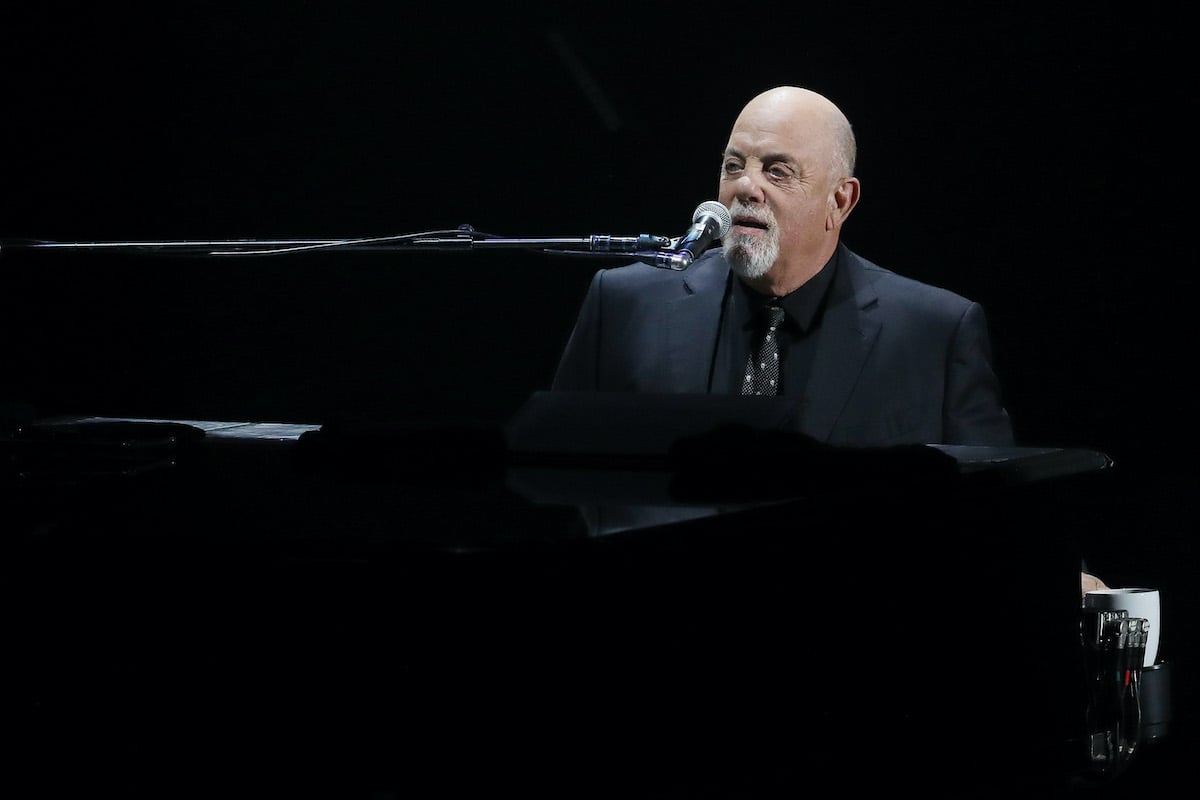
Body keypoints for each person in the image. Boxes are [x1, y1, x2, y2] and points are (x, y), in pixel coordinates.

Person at [551, 84, 1107, 592]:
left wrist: (1064, 581)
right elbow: (551, 481)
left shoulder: (933, 332)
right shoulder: (625, 304)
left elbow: (999, 511)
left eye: (778, 171)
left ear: (840, 201)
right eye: (733, 165)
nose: (745, 187)